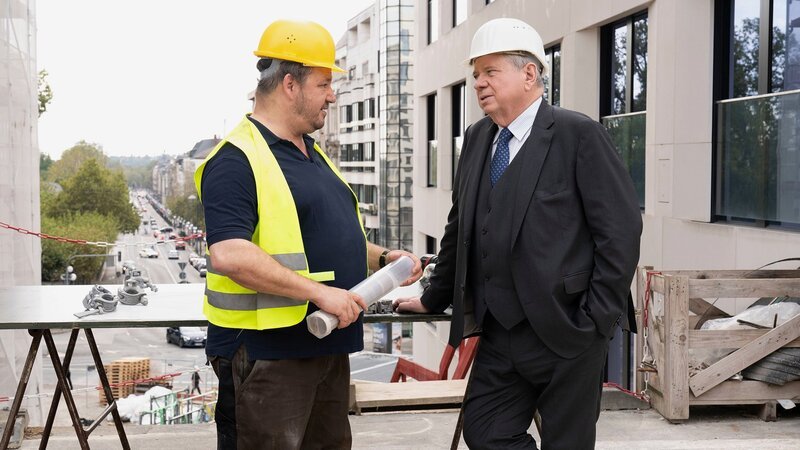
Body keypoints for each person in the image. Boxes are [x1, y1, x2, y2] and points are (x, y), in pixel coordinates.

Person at [393, 18, 642, 449]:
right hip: (499, 333)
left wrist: (594, 320)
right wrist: (433, 297)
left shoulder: (578, 134)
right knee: (485, 431)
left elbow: (620, 233)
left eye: (491, 72)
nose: (479, 84)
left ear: (530, 74)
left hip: (570, 330)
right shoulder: (476, 139)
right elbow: (460, 229)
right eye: (475, 75)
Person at [195, 19, 422, 450]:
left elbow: (320, 234)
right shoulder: (236, 159)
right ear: (290, 85)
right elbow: (229, 254)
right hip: (266, 357)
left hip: (323, 342)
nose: (333, 94)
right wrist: (320, 293)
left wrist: (382, 259)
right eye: (323, 83)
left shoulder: (312, 152)